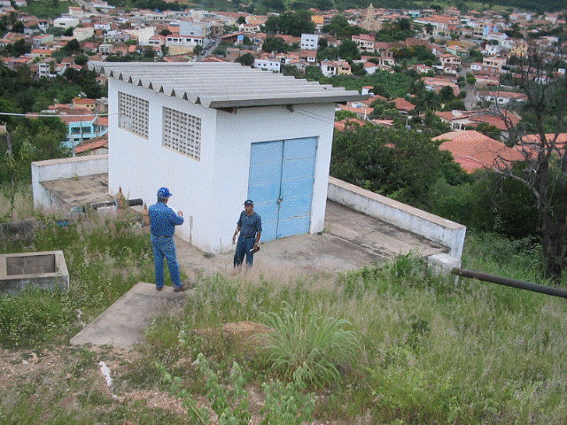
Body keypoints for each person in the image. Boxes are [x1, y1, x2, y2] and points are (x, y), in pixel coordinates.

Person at [148, 187, 188, 292]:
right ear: (166, 199)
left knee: (158, 261)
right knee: (172, 262)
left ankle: (159, 285)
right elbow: (179, 221)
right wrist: (180, 215)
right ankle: (177, 285)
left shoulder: (151, 208)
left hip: (154, 238)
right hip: (166, 240)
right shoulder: (168, 211)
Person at [232, 199, 262, 270]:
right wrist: (234, 235)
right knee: (238, 256)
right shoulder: (243, 214)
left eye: (248, 206)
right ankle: (237, 270)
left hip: (250, 240)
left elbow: (259, 232)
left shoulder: (257, 217)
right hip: (241, 238)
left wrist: (256, 243)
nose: (246, 208)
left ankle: (247, 274)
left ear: (252, 206)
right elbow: (239, 226)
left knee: (249, 257)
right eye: (245, 206)